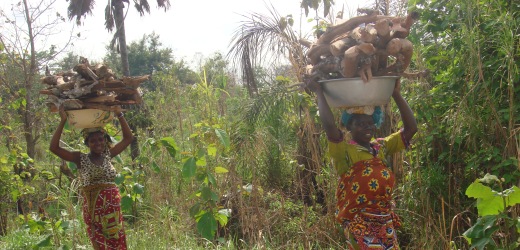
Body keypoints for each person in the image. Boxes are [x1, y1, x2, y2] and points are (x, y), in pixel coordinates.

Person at [306, 78, 417, 249]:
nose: (367, 127)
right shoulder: (344, 151)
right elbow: (329, 127)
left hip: (385, 223)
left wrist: (395, 93)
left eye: (370, 123)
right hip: (359, 223)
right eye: (360, 124)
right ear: (349, 126)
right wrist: (319, 92)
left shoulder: (381, 147)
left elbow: (411, 129)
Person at [50, 106, 133, 250]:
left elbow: (128, 138)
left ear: (105, 140)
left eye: (101, 139)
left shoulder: (108, 155)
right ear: (87, 143)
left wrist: (119, 113)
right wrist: (63, 120)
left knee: (117, 241)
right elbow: (54, 148)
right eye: (93, 141)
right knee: (101, 244)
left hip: (113, 209)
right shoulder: (80, 158)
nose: (98, 143)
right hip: (94, 211)